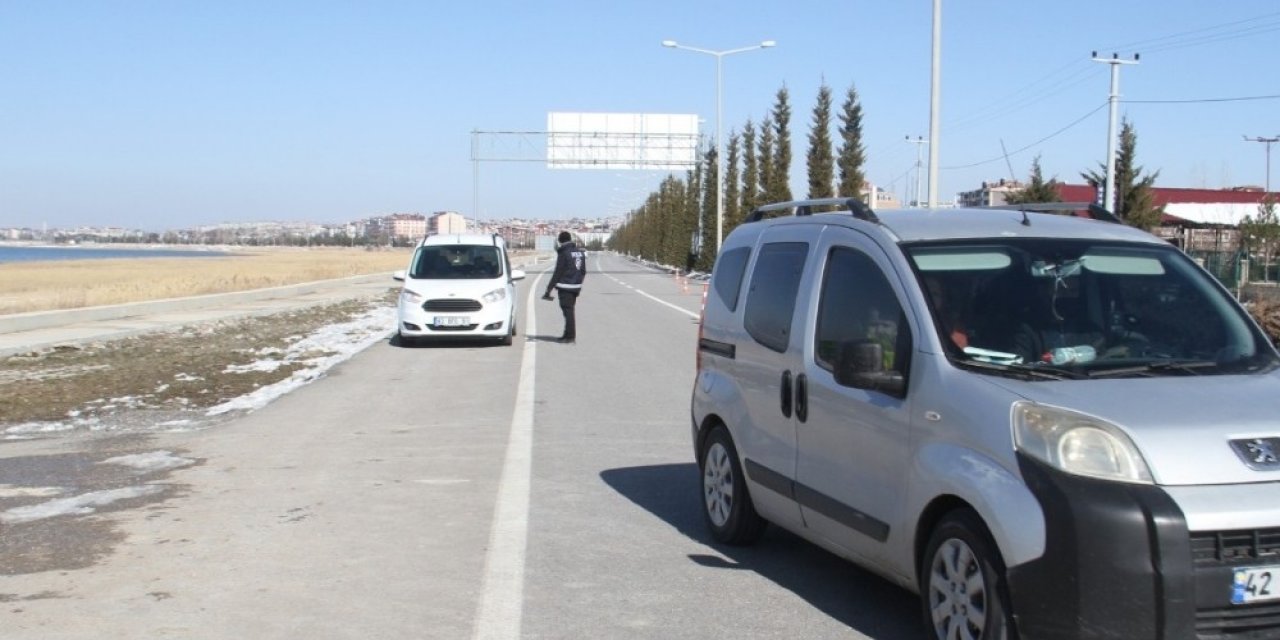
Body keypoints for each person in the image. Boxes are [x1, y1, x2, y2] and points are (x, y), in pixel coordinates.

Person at [542, 231, 586, 344]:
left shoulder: (564, 253)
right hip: (576, 286)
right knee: (569, 310)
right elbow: (583, 271)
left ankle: (570, 337)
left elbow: (558, 272)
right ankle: (566, 335)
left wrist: (549, 289)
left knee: (568, 312)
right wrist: (578, 282)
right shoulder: (579, 253)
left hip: (565, 286)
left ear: (560, 241)